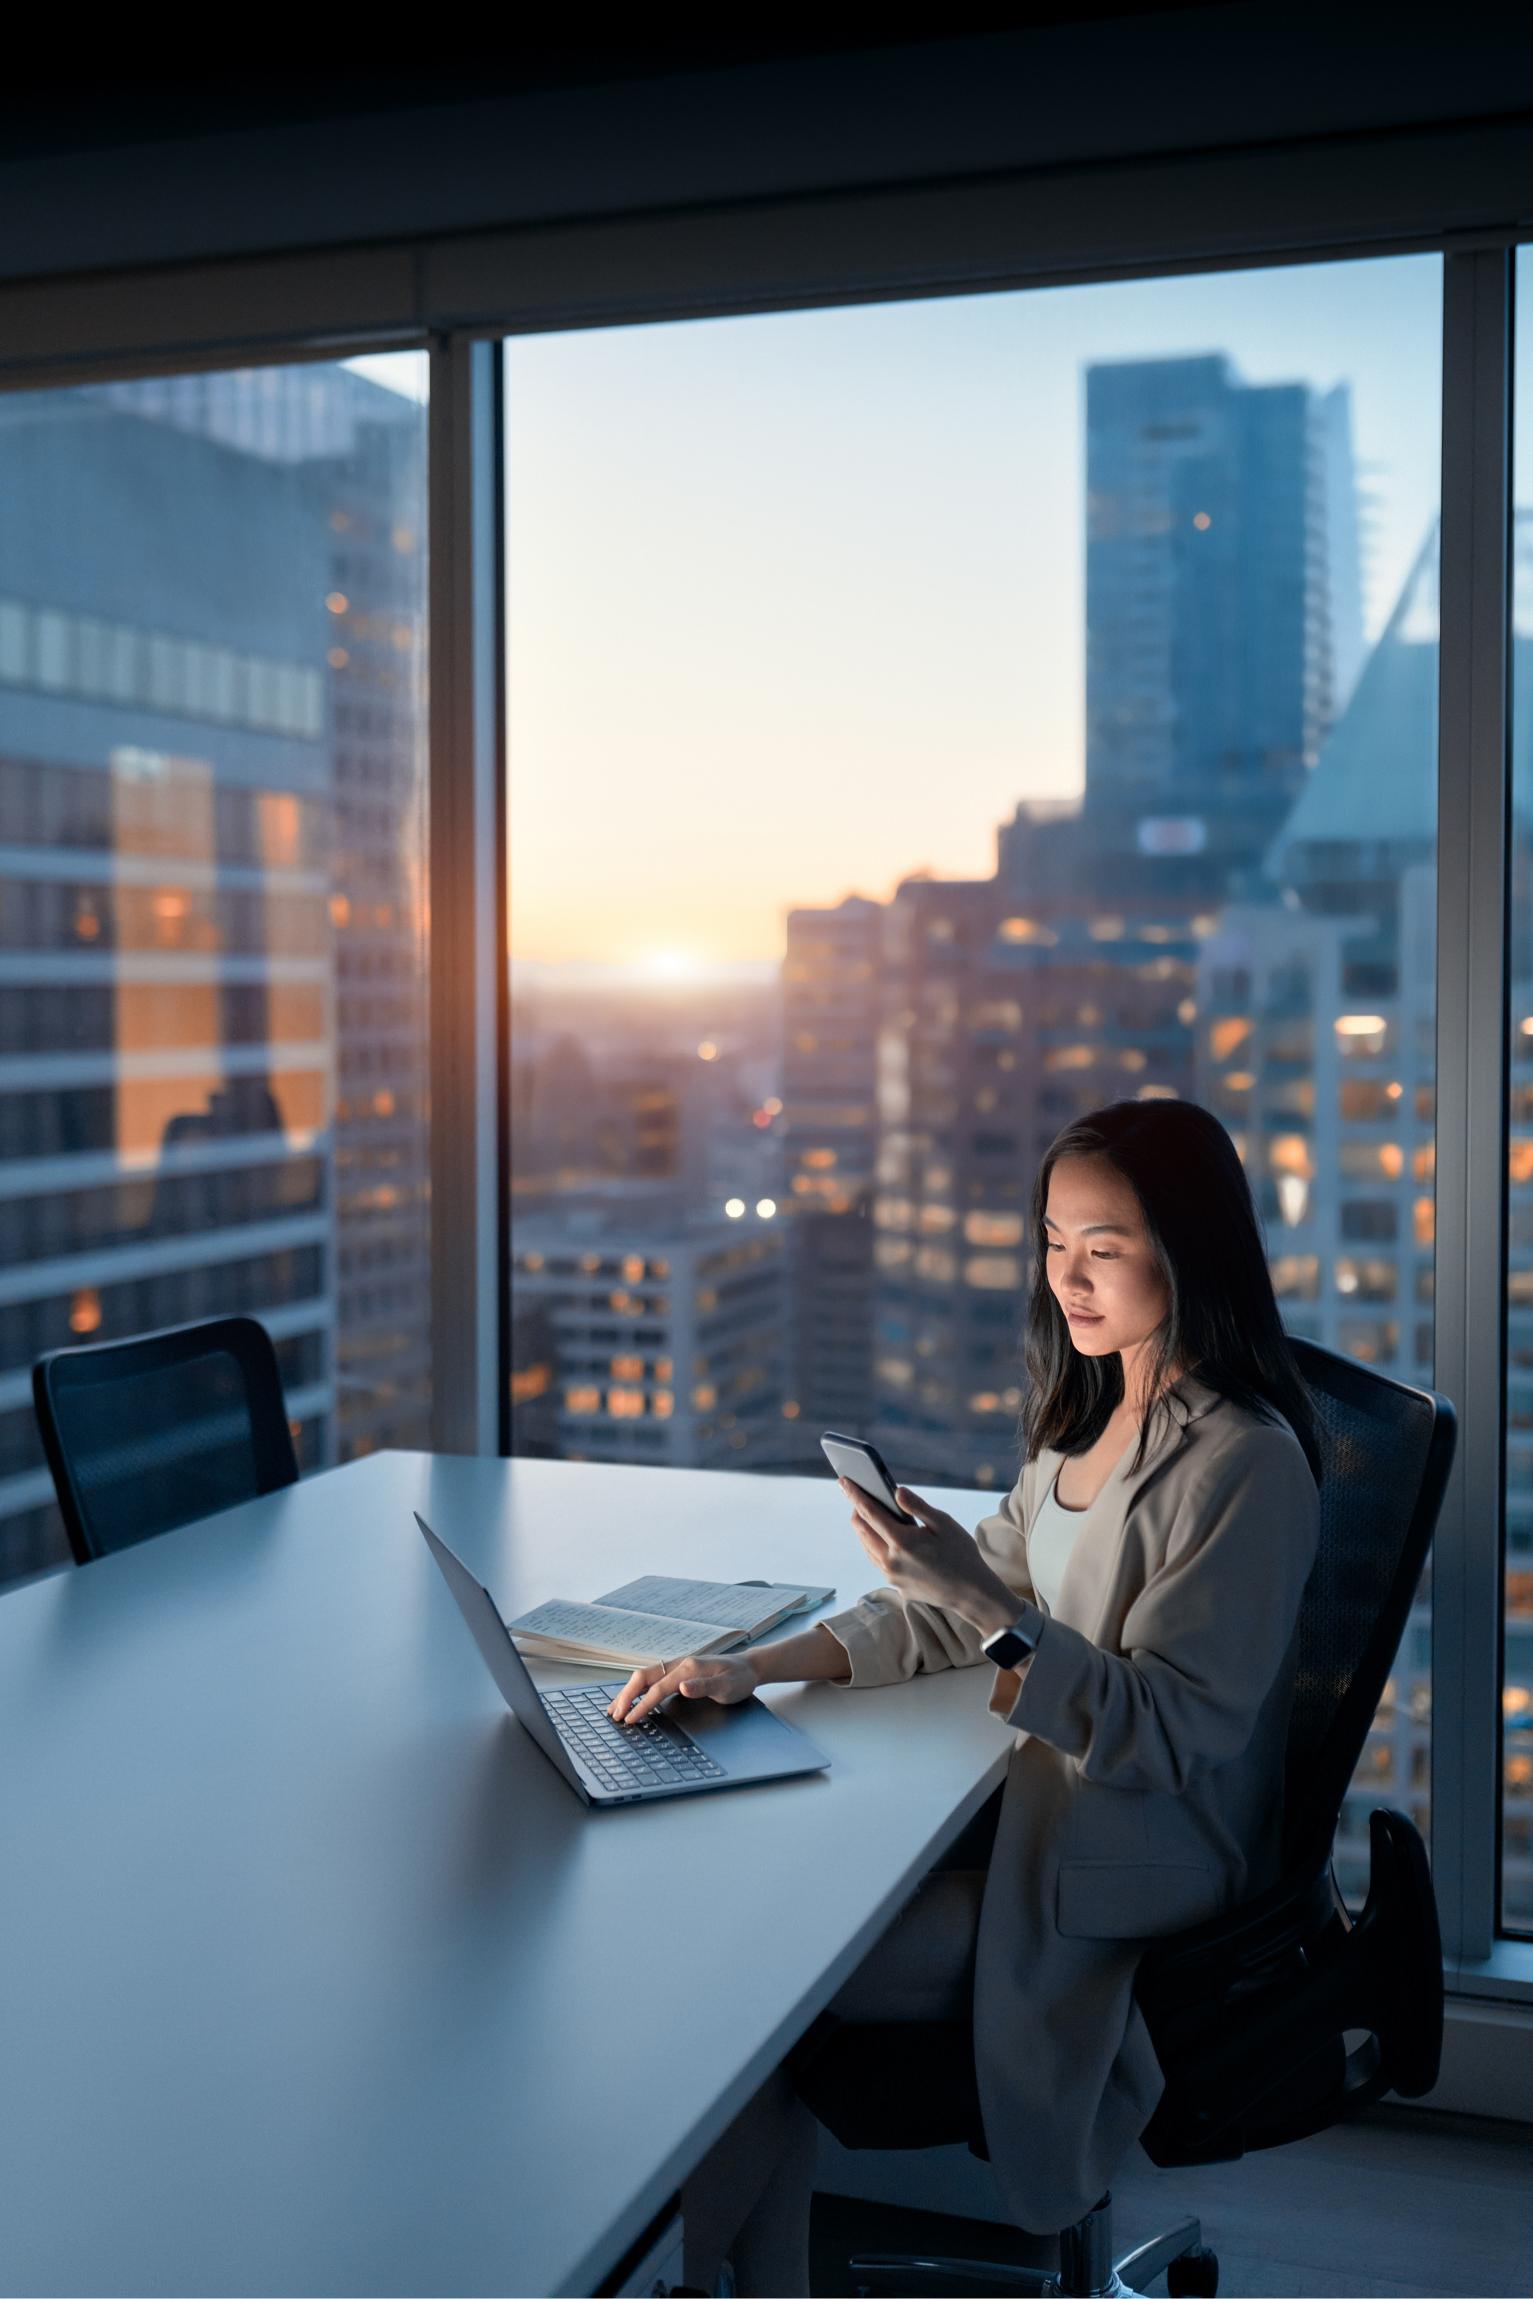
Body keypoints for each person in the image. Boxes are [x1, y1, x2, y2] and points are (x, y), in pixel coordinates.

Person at [608, 1098, 1322, 2297]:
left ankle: (693, 2279)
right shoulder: (1091, 1418)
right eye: (1053, 1239)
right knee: (769, 1932)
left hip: (1143, 1858)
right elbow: (955, 1604)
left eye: (1106, 1244)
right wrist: (757, 1665)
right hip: (1051, 1818)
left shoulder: (1246, 1466)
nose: (1068, 1276)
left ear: (1189, 1249)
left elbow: (1170, 1734)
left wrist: (989, 1607)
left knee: (764, 1995)